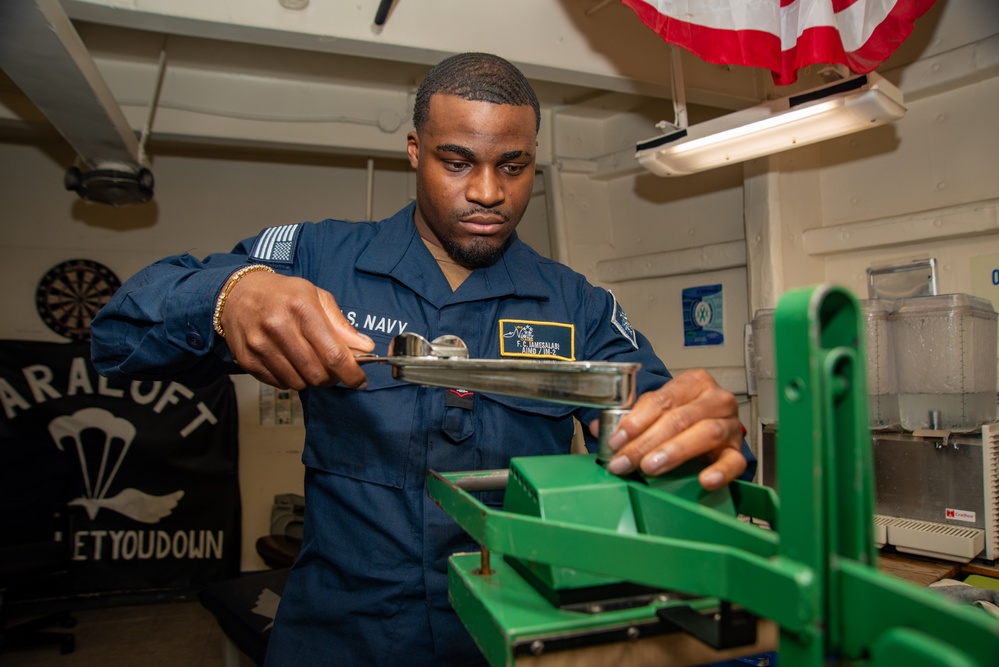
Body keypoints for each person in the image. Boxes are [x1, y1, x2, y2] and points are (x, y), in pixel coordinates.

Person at [91, 52, 755, 666]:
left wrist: (697, 433)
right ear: (415, 152)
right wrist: (229, 292)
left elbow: (666, 421)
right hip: (342, 637)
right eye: (457, 161)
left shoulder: (575, 304)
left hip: (511, 634)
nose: (489, 192)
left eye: (514, 166)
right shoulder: (319, 260)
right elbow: (116, 338)